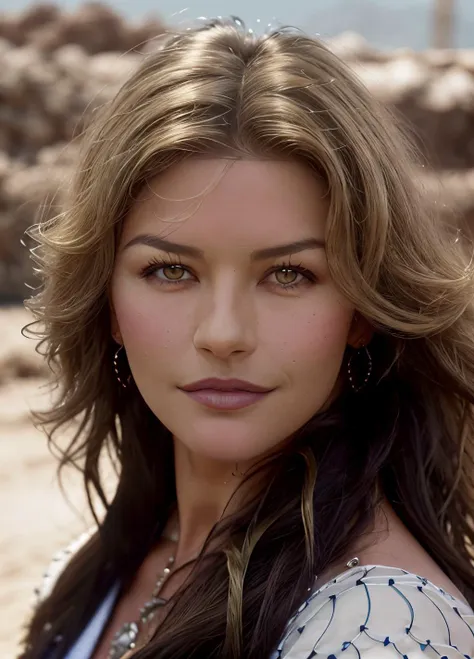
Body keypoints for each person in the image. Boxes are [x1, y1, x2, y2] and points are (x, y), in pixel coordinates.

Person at [19, 16, 474, 659]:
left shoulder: (382, 633)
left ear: (364, 310)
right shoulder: (89, 575)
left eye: (289, 274)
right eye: (170, 271)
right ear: (108, 303)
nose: (224, 334)